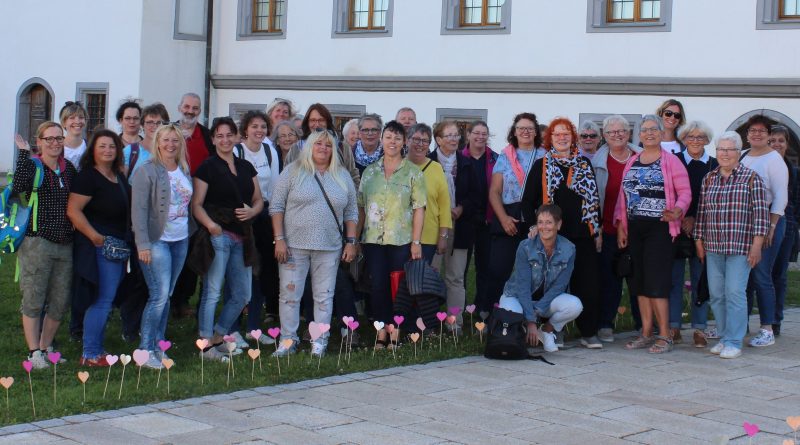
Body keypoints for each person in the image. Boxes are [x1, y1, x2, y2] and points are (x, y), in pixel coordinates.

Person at [270, 130, 358, 357]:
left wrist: (350, 242)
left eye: (328, 145)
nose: (323, 148)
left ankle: (320, 340)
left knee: (324, 295)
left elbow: (351, 212)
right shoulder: (293, 171)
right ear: (309, 146)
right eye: (318, 144)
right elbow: (276, 206)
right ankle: (288, 340)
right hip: (293, 245)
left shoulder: (342, 175)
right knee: (289, 294)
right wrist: (279, 239)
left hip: (329, 246)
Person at [522, 117, 602, 349]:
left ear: (572, 137)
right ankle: (554, 331)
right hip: (553, 237)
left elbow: (594, 201)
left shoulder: (584, 165)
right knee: (554, 285)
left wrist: (597, 230)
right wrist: (533, 225)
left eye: (566, 133)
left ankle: (589, 332)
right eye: (557, 134)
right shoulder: (542, 165)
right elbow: (527, 202)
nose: (562, 137)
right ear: (550, 139)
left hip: (583, 234)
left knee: (588, 284)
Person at [615, 115, 691, 354]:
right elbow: (623, 196)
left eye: (653, 130)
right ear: (639, 135)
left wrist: (678, 210)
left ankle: (665, 335)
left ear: (661, 134)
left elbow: (685, 192)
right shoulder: (632, 161)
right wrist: (621, 226)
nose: (649, 133)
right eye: (645, 130)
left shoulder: (671, 161)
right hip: (636, 228)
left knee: (657, 283)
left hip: (660, 228)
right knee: (639, 282)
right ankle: (646, 333)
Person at [191, 117, 263, 361]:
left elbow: (258, 199)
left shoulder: (245, 167)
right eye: (219, 135)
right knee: (212, 291)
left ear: (236, 137)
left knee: (244, 294)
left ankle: (219, 336)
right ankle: (205, 343)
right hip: (218, 235)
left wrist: (253, 211)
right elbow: (197, 204)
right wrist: (211, 225)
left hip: (242, 236)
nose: (224, 140)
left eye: (229, 135)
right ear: (213, 139)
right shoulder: (207, 167)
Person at [694, 131, 769, 359]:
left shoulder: (751, 178)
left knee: (735, 292)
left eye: (729, 149)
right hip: (714, 246)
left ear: (738, 152)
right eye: (721, 150)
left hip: (741, 247)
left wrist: (757, 246)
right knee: (716, 294)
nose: (725, 154)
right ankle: (726, 336)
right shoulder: (709, 178)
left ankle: (734, 341)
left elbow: (761, 215)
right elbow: (702, 212)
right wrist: (699, 240)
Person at [13, 122, 77, 369]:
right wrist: (22, 153)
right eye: (48, 139)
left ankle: (46, 346)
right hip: (37, 241)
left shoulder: (68, 169)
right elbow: (18, 187)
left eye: (58, 138)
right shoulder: (33, 166)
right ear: (39, 142)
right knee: (34, 296)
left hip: (64, 242)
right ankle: (33, 352)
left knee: (60, 299)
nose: (54, 143)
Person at [357, 120, 426, 349]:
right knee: (377, 287)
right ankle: (381, 332)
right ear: (382, 140)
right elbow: (361, 208)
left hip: (401, 240)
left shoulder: (413, 173)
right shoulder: (369, 173)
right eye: (388, 137)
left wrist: (416, 242)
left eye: (397, 137)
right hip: (373, 241)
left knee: (398, 287)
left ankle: (395, 331)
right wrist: (355, 240)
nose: (392, 142)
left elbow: (419, 209)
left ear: (404, 141)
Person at [132, 124, 196, 368]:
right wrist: (143, 245)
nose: (171, 145)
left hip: (180, 239)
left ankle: (159, 345)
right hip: (156, 240)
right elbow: (138, 211)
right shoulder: (146, 171)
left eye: (175, 141)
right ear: (157, 142)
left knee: (167, 295)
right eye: (166, 140)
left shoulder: (183, 169)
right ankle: (145, 350)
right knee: (158, 296)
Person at [67, 129, 131, 367]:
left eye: (112, 146)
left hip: (116, 246)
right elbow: (73, 210)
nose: (107, 150)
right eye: (102, 146)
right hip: (98, 246)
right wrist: (95, 237)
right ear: (92, 149)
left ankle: (96, 348)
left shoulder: (118, 176)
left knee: (107, 297)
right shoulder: (88, 177)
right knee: (102, 299)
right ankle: (91, 353)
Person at [498, 204, 583, 352]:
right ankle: (524, 332)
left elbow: (560, 286)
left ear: (559, 224)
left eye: (549, 222)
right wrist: (531, 321)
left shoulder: (569, 249)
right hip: (517, 295)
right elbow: (522, 286)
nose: (544, 227)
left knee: (575, 305)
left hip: (545, 301)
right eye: (540, 222)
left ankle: (546, 331)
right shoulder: (525, 247)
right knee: (510, 311)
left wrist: (535, 312)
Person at [485, 113, 545, 314]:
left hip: (537, 217)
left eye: (529, 128)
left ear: (536, 132)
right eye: (521, 128)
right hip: (508, 215)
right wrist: (503, 218)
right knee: (499, 269)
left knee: (533, 271)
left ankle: (529, 316)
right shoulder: (506, 155)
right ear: (514, 132)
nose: (525, 132)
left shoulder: (545, 156)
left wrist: (540, 221)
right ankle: (492, 315)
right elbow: (494, 191)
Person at [233, 110, 280, 346]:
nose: (259, 131)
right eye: (254, 126)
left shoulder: (270, 151)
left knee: (259, 273)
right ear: (245, 129)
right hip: (240, 216)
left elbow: (275, 186)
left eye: (263, 126)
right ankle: (231, 329)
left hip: (264, 216)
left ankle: (253, 326)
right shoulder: (236, 151)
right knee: (239, 272)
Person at [741, 115, 789, 347]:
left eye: (762, 131)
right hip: (743, 225)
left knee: (762, 276)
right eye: (752, 130)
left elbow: (781, 195)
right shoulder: (742, 156)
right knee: (745, 279)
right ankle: (741, 325)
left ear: (769, 135)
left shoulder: (774, 159)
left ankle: (767, 328)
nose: (757, 134)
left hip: (768, 222)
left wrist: (771, 226)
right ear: (747, 134)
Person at [593, 115, 642, 343]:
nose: (617, 135)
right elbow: (592, 199)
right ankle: (605, 323)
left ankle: (642, 324)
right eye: (611, 132)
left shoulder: (642, 158)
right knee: (608, 279)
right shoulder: (597, 162)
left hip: (639, 229)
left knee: (638, 278)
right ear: (604, 136)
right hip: (609, 229)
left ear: (629, 132)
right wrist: (597, 229)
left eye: (621, 131)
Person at [669, 121, 718, 347]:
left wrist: (696, 219)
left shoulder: (715, 165)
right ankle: (673, 327)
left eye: (701, 137)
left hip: (705, 230)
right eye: (691, 136)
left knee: (700, 280)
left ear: (707, 140)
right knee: (674, 279)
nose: (696, 140)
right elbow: (669, 193)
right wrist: (683, 217)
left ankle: (699, 328)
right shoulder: (673, 161)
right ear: (684, 139)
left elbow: (716, 200)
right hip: (676, 229)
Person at [171, 92, 215, 319]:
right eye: (186, 106)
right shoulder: (169, 132)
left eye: (195, 108)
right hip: (172, 204)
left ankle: (184, 300)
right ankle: (170, 300)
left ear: (200, 111)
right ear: (179, 107)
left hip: (198, 204)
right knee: (172, 251)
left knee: (191, 253)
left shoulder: (206, 136)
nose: (190, 111)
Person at [430, 120, 476, 332]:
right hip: (432, 227)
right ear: (438, 139)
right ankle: (428, 320)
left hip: (460, 227)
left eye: (456, 135)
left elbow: (474, 196)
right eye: (448, 135)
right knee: (430, 273)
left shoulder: (467, 163)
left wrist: (461, 208)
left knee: (455, 276)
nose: (454, 139)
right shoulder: (428, 162)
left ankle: (454, 322)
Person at [458, 120, 497, 319]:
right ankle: (460, 307)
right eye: (476, 133)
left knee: (485, 266)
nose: (480, 137)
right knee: (461, 268)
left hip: (487, 220)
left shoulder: (495, 159)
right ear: (469, 135)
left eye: (484, 134)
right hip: (464, 220)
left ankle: (481, 306)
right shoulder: (458, 158)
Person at [769, 125, 799, 336]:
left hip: (786, 225)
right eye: (773, 140)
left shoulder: (793, 171)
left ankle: (775, 320)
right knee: (757, 276)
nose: (777, 144)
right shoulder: (758, 164)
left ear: (786, 144)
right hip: (761, 223)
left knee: (779, 276)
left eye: (781, 140)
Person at [406, 123, 451, 263]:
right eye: (416, 139)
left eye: (425, 141)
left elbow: (444, 205)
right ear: (407, 140)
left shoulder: (436, 168)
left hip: (428, 237)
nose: (420, 144)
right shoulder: (399, 166)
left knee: (419, 281)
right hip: (400, 236)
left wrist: (443, 237)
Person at [299, 104, 360, 188]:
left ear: (327, 122)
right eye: (312, 120)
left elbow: (353, 176)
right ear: (307, 123)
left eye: (321, 120)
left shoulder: (342, 148)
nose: (317, 124)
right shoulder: (296, 148)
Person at [123, 103, 170, 182]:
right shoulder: (130, 151)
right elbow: (121, 184)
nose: (155, 126)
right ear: (142, 124)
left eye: (159, 123)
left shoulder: (171, 151)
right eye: (150, 122)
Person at [59, 102, 88, 169]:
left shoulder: (90, 147)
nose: (77, 121)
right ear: (63, 123)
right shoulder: (57, 148)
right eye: (72, 118)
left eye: (81, 117)